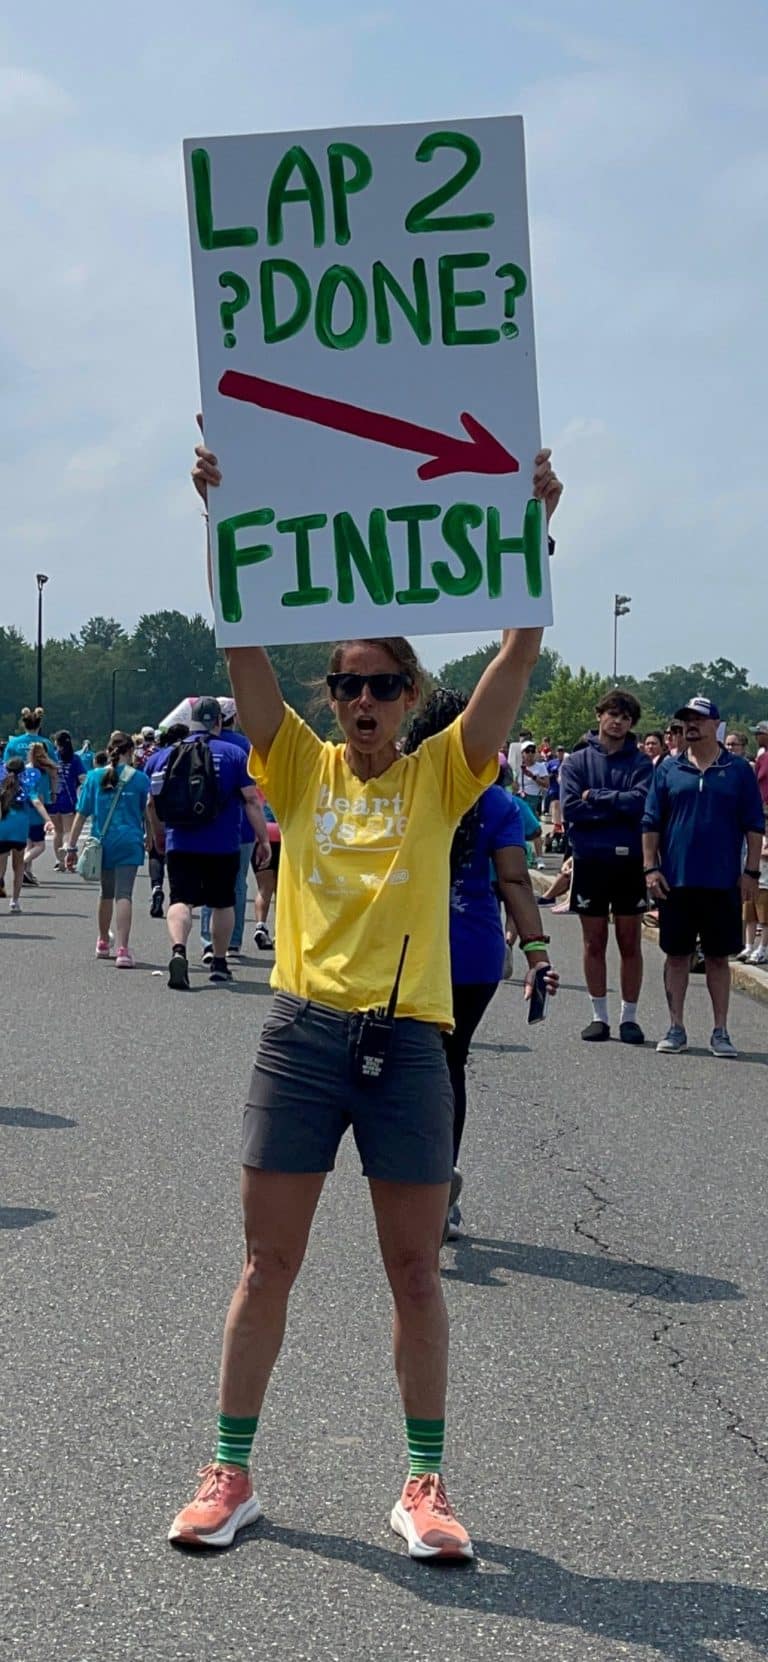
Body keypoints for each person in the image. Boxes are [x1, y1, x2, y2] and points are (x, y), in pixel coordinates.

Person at [166, 431, 562, 1559]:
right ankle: (229, 1471)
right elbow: (241, 639)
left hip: (411, 1044)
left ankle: (424, 1486)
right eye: (346, 684)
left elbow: (521, 653)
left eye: (383, 684)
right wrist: (221, 522)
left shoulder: (447, 771)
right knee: (267, 1263)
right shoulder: (294, 762)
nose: (362, 700)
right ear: (329, 695)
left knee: (414, 1270)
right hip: (301, 1037)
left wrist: (536, 529)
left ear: (411, 695)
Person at [403, 693, 558, 1239]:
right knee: (448, 1068)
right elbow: (514, 881)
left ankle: (422, 1184)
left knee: (400, 1073)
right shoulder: (496, 804)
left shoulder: (401, 791)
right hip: (473, 957)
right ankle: (439, 1184)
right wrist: (536, 953)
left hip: (402, 954)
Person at [642, 696, 765, 1057]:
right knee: (677, 956)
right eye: (685, 720)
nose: (691, 725)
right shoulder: (668, 769)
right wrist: (650, 868)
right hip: (675, 880)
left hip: (723, 880)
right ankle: (676, 1026)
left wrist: (751, 871)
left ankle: (720, 1030)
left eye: (698, 719)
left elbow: (754, 826)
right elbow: (650, 821)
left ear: (716, 724)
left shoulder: (739, 770)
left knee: (717, 958)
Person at [146, 698, 269, 988]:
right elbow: (251, 799)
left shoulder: (165, 755)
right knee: (222, 902)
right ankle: (220, 961)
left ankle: (179, 950)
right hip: (223, 842)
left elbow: (152, 803)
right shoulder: (234, 754)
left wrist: (158, 835)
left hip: (180, 840)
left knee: (180, 900)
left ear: (191, 721)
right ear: (219, 721)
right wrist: (263, 838)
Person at [560, 689, 653, 1044]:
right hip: (590, 859)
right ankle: (598, 1015)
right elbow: (571, 808)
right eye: (612, 714)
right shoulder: (577, 761)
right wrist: (615, 806)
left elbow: (640, 804)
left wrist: (595, 797)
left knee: (630, 941)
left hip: (629, 860)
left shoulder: (641, 763)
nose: (618, 722)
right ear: (599, 715)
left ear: (631, 723)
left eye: (626, 717)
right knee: (593, 940)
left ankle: (629, 1016)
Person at [64, 732, 151, 966]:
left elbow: (81, 814)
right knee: (124, 894)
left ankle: (103, 941)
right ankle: (123, 949)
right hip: (130, 839)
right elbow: (148, 813)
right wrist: (152, 837)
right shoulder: (140, 779)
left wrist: (71, 847)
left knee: (106, 892)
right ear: (130, 752)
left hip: (102, 841)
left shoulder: (94, 777)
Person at [200, 713, 270, 962]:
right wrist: (263, 836)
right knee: (238, 883)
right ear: (232, 719)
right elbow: (255, 792)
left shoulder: (200, 744)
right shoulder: (244, 747)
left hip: (205, 824)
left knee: (212, 883)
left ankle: (209, 940)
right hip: (243, 825)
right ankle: (234, 941)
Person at [144, 721, 189, 918]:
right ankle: (175, 895)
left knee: (155, 851)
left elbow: (148, 796)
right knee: (176, 856)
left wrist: (149, 828)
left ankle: (156, 887)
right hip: (182, 814)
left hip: (158, 811)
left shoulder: (155, 758)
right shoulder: (191, 754)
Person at [0, 758, 49, 912]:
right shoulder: (26, 786)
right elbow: (37, 803)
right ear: (24, 772)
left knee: (0, 865)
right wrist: (48, 820)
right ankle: (15, 901)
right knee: (18, 865)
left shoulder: (2, 785)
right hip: (20, 828)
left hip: (3, 827)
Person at [23, 742, 58, 885]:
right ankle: (23, 863)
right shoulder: (44, 771)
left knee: (29, 843)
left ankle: (27, 872)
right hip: (37, 810)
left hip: (25, 809)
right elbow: (42, 795)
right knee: (40, 845)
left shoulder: (25, 770)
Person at [50, 732, 87, 869]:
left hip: (53, 797)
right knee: (67, 831)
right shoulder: (75, 759)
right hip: (68, 798)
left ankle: (59, 862)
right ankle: (66, 848)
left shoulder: (52, 757)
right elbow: (83, 778)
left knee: (57, 832)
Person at [253, 795, 281, 949]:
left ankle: (260, 925)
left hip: (261, 836)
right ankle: (280, 932)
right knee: (282, 890)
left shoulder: (255, 782)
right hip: (282, 836)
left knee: (264, 888)